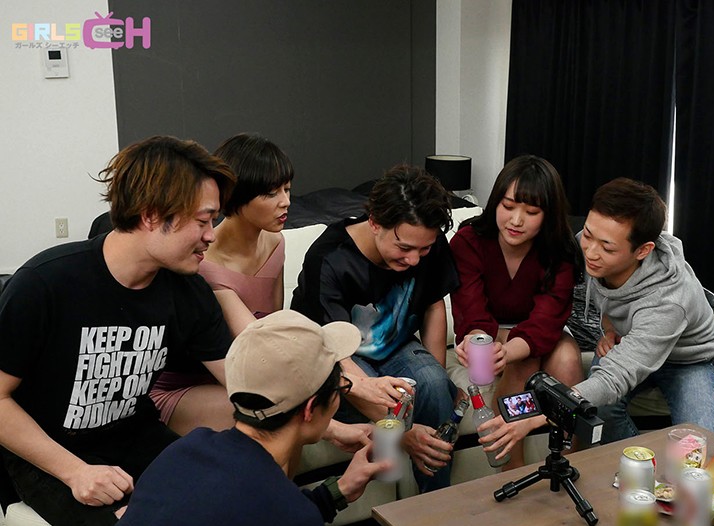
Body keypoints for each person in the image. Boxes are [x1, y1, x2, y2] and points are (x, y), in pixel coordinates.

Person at [0, 136, 236, 526]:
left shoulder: (187, 291)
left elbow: (239, 378)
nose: (211, 235)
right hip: (47, 453)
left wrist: (322, 422)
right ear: (151, 215)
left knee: (229, 500)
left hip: (133, 436)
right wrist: (76, 472)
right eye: (202, 221)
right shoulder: (45, 284)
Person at [152, 132, 370, 451]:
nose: (286, 201)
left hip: (249, 375)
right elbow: (259, 349)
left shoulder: (275, 243)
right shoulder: (205, 265)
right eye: (271, 193)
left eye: (287, 189)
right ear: (236, 197)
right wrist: (351, 392)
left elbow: (274, 327)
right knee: (272, 420)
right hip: (193, 384)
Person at [113, 310, 389, 526]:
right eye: (340, 388)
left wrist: (338, 491)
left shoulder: (183, 451)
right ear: (310, 409)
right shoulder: (292, 517)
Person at [291, 165, 459, 492]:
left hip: (393, 344)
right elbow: (337, 356)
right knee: (388, 399)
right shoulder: (329, 258)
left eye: (423, 250)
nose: (414, 260)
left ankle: (437, 502)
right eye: (404, 248)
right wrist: (405, 432)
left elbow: (433, 305)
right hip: (338, 356)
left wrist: (440, 380)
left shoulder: (428, 239)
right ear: (375, 222)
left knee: (435, 382)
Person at [573, 177, 714, 443]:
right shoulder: (591, 246)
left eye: (607, 247)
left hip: (686, 360)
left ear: (643, 250)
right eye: (588, 235)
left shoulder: (670, 300)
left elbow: (614, 377)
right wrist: (609, 329)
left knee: (701, 445)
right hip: (629, 343)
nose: (590, 251)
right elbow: (609, 297)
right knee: (598, 411)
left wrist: (557, 405)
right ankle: (637, 460)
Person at [450, 155, 584, 469]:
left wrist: (508, 351)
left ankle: (573, 464)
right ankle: (513, 471)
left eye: (531, 212)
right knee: (524, 364)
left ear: (548, 215)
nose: (516, 220)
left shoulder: (560, 252)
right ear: (495, 202)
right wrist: (477, 341)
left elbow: (546, 319)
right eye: (508, 206)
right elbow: (470, 308)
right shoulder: (468, 241)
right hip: (490, 332)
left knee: (566, 360)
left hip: (541, 333)